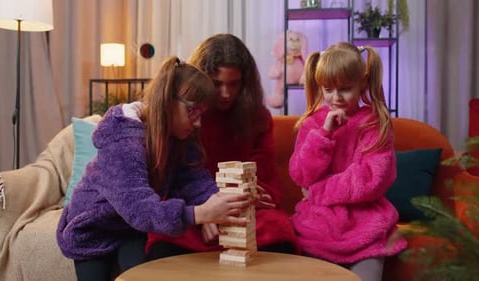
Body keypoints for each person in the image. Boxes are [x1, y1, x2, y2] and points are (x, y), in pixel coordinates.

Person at [56, 56, 253, 281]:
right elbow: (140, 208)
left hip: (128, 228)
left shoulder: (179, 137)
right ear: (168, 101)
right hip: (93, 228)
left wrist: (214, 201)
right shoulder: (123, 141)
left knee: (145, 274)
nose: (198, 123)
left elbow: (192, 178)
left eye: (202, 114)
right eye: (193, 111)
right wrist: (200, 213)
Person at [146, 33, 298, 260]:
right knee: (165, 240)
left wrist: (239, 201)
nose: (226, 94)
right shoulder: (184, 116)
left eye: (234, 84)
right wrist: (206, 211)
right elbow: (173, 176)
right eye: (217, 84)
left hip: (244, 208)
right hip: (192, 206)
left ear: (245, 83)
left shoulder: (258, 117)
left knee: (280, 233)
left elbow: (263, 175)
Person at [289, 42, 407, 281]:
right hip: (318, 226)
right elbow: (300, 175)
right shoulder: (312, 124)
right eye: (328, 89)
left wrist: (318, 191)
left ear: (362, 83)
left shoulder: (375, 123)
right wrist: (324, 135)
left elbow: (371, 179)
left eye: (344, 88)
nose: (335, 97)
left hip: (365, 227)